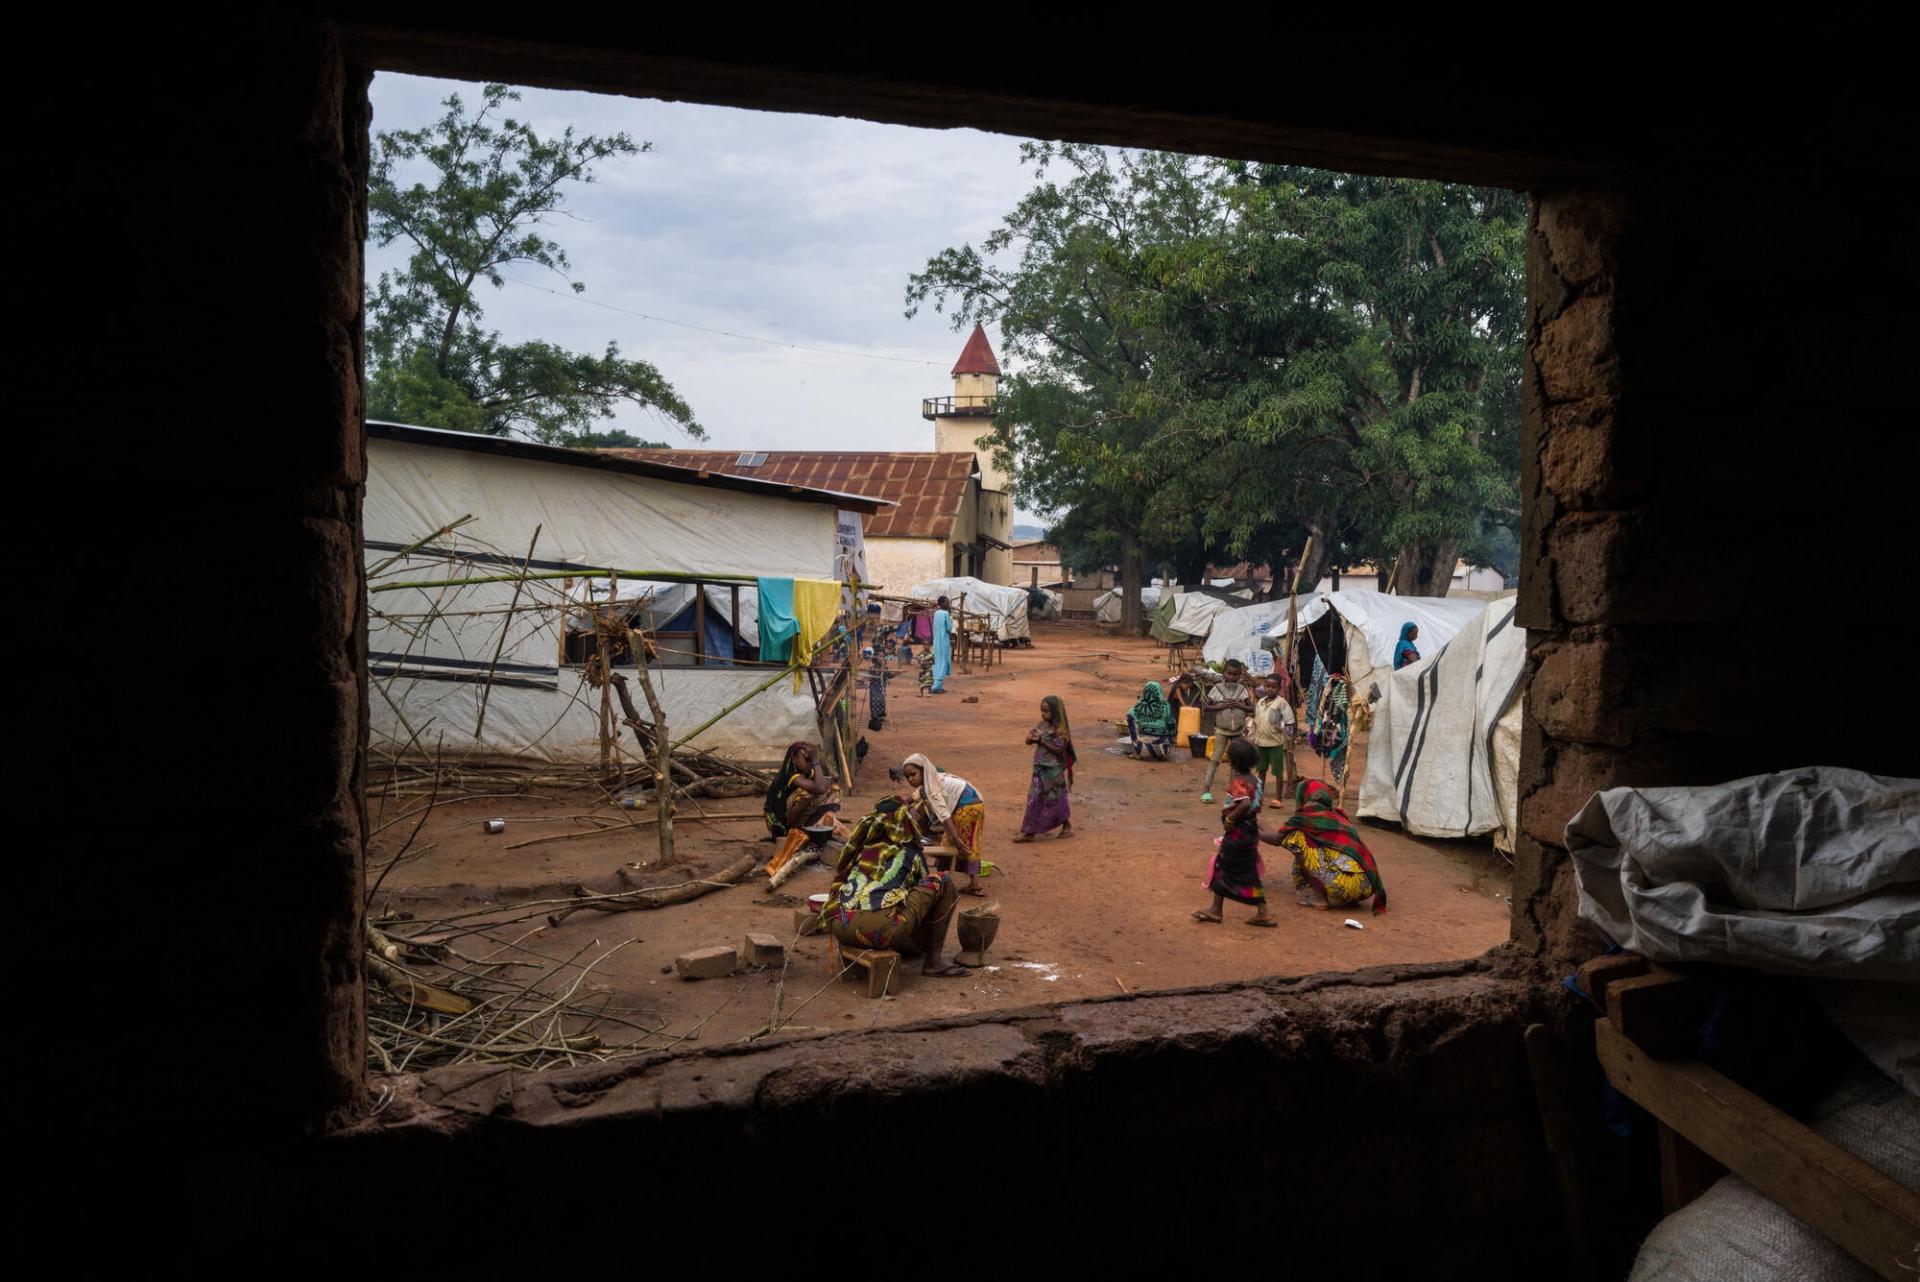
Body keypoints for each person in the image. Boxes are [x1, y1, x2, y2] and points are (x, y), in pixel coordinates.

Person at [820, 793, 967, 976]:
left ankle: (891, 937)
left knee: (886, 899)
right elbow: (926, 898)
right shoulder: (910, 850)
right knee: (942, 882)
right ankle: (933, 961)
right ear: (903, 819)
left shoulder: (861, 846)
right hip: (880, 931)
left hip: (840, 926)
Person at [1265, 778, 1387, 914]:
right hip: (1367, 887)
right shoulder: (1337, 816)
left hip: (1347, 887)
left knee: (1296, 837)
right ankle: (1350, 899)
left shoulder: (1306, 818)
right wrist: (1257, 823)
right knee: (1317, 845)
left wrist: (1250, 830)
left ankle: (1318, 898)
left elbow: (1277, 839)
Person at [1192, 737, 1275, 926]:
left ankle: (1216, 910)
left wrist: (1230, 819)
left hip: (1238, 832)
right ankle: (1261, 911)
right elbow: (1255, 804)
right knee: (1247, 870)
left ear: (1234, 762)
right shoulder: (1255, 780)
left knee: (1223, 866)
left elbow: (1245, 803)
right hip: (1251, 830)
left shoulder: (1238, 782)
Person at [900, 752, 989, 896]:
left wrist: (954, 837)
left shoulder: (932, 788)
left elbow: (944, 815)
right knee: (950, 843)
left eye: (913, 774)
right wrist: (895, 804)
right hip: (971, 805)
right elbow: (910, 799)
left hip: (968, 809)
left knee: (964, 845)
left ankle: (974, 884)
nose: (910, 779)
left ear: (923, 771)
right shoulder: (932, 780)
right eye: (907, 777)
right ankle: (941, 877)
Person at [764, 741, 844, 876]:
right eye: (806, 759)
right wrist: (816, 761)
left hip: (793, 814)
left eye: (810, 759)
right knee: (805, 795)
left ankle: (810, 827)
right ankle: (794, 831)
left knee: (835, 791)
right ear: (794, 759)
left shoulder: (807, 771)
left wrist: (817, 766)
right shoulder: (791, 774)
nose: (810, 762)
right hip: (779, 823)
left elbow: (824, 787)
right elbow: (818, 788)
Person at [1015, 694, 1076, 841]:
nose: (1043, 714)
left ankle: (1064, 826)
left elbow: (1058, 749)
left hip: (1052, 770)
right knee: (1034, 798)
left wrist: (1041, 740)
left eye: (1046, 711)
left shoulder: (1060, 730)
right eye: (1042, 711)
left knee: (1054, 799)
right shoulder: (1041, 725)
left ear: (1055, 712)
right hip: (1039, 768)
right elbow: (1029, 740)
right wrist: (1030, 739)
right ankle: (1030, 832)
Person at [1199, 659, 1255, 803]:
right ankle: (1206, 788)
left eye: (1235, 675)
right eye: (1229, 674)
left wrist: (1239, 705)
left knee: (1235, 763)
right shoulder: (1217, 688)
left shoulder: (1242, 690)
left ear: (1239, 676)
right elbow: (1206, 707)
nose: (1232, 677)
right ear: (1223, 673)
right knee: (1215, 759)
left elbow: (1252, 708)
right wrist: (1223, 706)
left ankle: (1233, 791)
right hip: (1222, 731)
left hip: (1238, 731)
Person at [1251, 675, 1295, 804]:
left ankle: (1278, 798)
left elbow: (1289, 721)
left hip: (1275, 743)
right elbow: (1257, 720)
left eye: (1274, 687)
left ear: (1279, 688)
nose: (1270, 689)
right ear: (1264, 687)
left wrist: (1289, 738)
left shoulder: (1281, 703)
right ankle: (1259, 796)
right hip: (1261, 742)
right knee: (1261, 770)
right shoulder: (1260, 702)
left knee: (1278, 772)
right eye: (1268, 686)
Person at [1126, 679, 1177, 760]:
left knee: (1136, 731)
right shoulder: (1166, 706)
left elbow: (1129, 715)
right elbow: (1172, 725)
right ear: (1159, 691)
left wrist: (1134, 737)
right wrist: (1173, 737)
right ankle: (1158, 752)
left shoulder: (1139, 705)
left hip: (1141, 748)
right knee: (1170, 733)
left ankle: (1137, 750)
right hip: (1163, 749)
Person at [930, 596, 954, 693]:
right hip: (944, 641)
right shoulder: (945, 614)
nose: (948, 605)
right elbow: (949, 627)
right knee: (943, 662)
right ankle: (936, 687)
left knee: (937, 662)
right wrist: (950, 615)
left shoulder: (936, 613)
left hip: (936, 641)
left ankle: (938, 686)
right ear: (942, 604)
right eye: (947, 602)